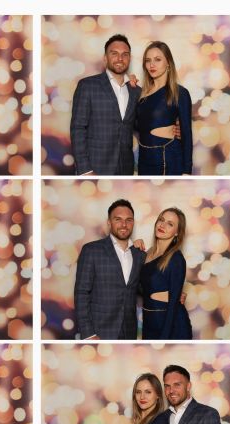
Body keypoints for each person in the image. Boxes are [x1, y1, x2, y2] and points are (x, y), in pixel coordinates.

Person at [74, 199, 146, 339]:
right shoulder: (92, 250)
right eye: (118, 219)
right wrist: (89, 334)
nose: (124, 224)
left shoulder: (140, 255)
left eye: (128, 220)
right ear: (109, 222)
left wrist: (172, 293)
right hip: (99, 332)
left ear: (133, 223)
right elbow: (81, 293)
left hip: (129, 332)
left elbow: (144, 289)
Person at [70, 35, 141, 176]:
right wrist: (85, 170)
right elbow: (78, 128)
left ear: (129, 59)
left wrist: (171, 126)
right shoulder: (88, 86)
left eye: (124, 54)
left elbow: (139, 126)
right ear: (105, 58)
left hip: (126, 169)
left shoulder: (136, 91)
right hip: (95, 168)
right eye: (114, 53)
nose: (120, 58)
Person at [136, 41, 193, 175]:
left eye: (157, 59)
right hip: (143, 159)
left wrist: (187, 171)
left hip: (168, 157)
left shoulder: (179, 93)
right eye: (148, 60)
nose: (152, 65)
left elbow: (186, 134)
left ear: (168, 63)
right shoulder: (140, 94)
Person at [140, 207, 192, 339]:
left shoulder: (176, 259)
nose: (162, 225)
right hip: (149, 323)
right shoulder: (146, 254)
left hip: (172, 327)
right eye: (161, 220)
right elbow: (137, 288)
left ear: (177, 232)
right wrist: (133, 247)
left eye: (170, 224)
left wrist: (164, 339)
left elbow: (173, 306)